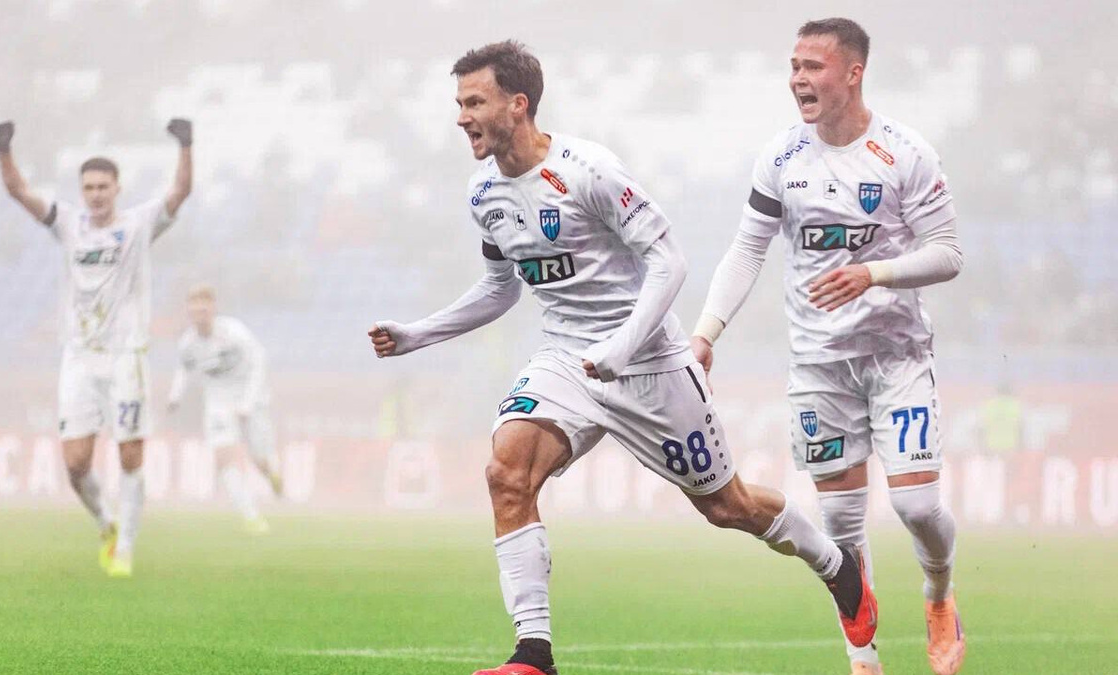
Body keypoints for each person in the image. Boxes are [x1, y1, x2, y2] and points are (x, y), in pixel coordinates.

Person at [369, 40, 876, 675]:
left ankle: (836, 564)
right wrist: (417, 334)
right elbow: (501, 289)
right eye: (460, 103)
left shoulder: (590, 171)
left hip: (651, 363)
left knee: (729, 507)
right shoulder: (484, 194)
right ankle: (533, 654)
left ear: (517, 105)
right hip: (566, 361)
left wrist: (624, 344)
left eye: (475, 102)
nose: (462, 117)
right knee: (506, 474)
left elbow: (670, 262)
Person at [691, 18, 965, 675]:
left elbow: (949, 253)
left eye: (813, 66)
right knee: (842, 528)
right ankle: (862, 657)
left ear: (853, 73)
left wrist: (875, 272)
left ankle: (938, 592)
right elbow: (747, 250)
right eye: (794, 66)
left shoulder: (904, 153)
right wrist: (705, 332)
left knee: (917, 506)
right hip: (819, 365)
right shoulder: (781, 158)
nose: (798, 79)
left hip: (897, 357)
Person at [0, 117, 193, 578]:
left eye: (103, 186)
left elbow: (181, 190)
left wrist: (186, 145)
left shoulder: (139, 223)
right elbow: (18, 191)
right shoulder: (68, 223)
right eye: (89, 187)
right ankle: (106, 523)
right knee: (75, 463)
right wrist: (4, 150)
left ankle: (126, 548)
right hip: (80, 358)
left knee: (129, 454)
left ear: (117, 188)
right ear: (81, 191)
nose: (96, 194)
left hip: (126, 357)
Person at [167, 284, 282, 533]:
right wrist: (175, 396)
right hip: (218, 401)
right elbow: (184, 368)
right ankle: (251, 516)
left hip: (251, 397)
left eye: (204, 305)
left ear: (213, 307)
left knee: (260, 457)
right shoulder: (188, 342)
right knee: (224, 459)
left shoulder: (233, 332)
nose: (199, 311)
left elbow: (258, 360)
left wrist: (248, 402)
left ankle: (272, 472)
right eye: (194, 306)